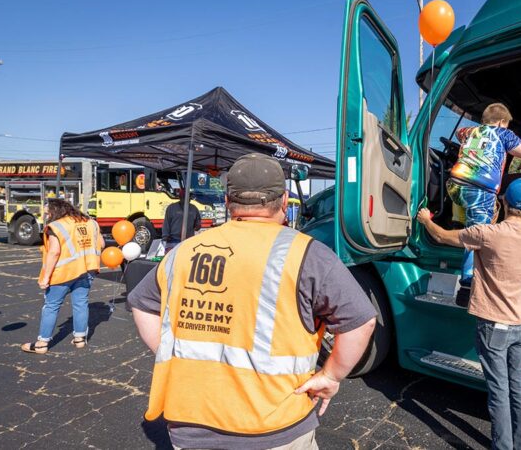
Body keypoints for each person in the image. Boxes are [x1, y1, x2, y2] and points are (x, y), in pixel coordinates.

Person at [128, 154, 377, 450]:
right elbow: (361, 319)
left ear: (228, 201)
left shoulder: (184, 252)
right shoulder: (307, 254)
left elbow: (143, 305)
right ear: (284, 200)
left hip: (191, 423)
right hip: (275, 426)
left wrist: (174, 354)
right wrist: (331, 375)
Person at [417, 177, 521, 450]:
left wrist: (426, 219)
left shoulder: (487, 234)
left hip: (494, 327)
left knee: (499, 392)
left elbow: (441, 236)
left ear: (503, 202)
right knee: (519, 389)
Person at [447, 103, 521, 305]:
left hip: (455, 186)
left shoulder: (468, 131)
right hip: (480, 189)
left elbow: (460, 135)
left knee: (466, 207)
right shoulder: (503, 134)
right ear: (503, 122)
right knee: (478, 236)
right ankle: (467, 286)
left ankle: (457, 223)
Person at [21, 199, 104, 354]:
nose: (46, 216)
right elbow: (102, 244)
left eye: (48, 213)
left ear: (56, 211)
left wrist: (45, 278)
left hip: (64, 272)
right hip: (87, 270)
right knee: (81, 303)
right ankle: (80, 339)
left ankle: (41, 344)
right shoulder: (90, 223)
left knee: (51, 306)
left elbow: (54, 252)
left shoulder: (57, 226)